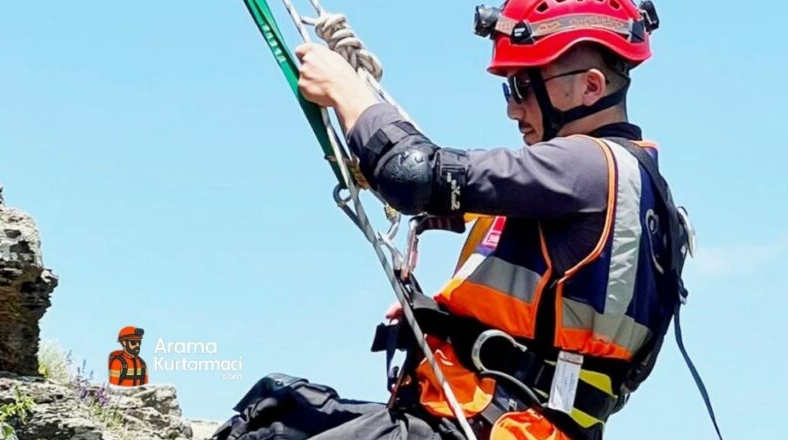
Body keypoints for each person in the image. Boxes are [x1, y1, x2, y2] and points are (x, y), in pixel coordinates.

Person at [215, 1, 684, 439]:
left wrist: (345, 89)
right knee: (275, 412)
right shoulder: (636, 192)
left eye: (523, 85)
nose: (512, 107)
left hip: (494, 425)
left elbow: (414, 174)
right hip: (494, 418)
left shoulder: (585, 167)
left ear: (590, 86)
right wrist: (451, 322)